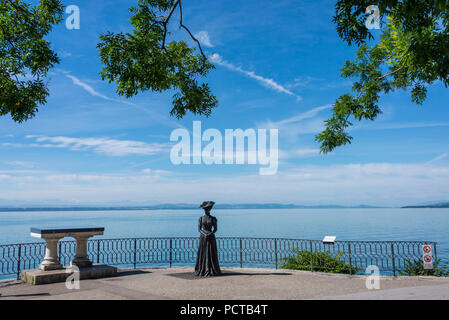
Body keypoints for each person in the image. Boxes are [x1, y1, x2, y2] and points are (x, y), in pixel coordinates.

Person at [194, 201, 222, 277]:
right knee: (203, 252)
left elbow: (215, 229)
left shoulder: (213, 219)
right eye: (206, 209)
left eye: (208, 209)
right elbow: (199, 229)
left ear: (210, 209)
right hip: (203, 238)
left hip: (211, 237)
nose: (207, 210)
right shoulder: (201, 219)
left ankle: (211, 269)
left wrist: (210, 233)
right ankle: (203, 268)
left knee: (211, 253)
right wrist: (205, 234)